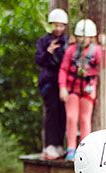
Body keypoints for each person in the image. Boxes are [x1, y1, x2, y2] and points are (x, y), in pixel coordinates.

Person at [58, 18, 106, 161]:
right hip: (72, 89)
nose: (83, 39)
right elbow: (63, 69)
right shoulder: (71, 51)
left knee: (85, 119)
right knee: (72, 118)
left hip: (87, 90)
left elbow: (103, 64)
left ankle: (85, 149)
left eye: (86, 36)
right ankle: (71, 148)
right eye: (80, 36)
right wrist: (62, 88)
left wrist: (103, 47)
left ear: (91, 37)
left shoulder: (97, 51)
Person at [35, 8, 69, 160]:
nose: (58, 29)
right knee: (51, 113)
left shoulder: (67, 42)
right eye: (55, 25)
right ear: (51, 25)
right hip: (49, 82)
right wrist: (48, 51)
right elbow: (39, 60)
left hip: (63, 84)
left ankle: (59, 145)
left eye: (61, 26)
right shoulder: (43, 41)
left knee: (63, 114)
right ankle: (49, 145)